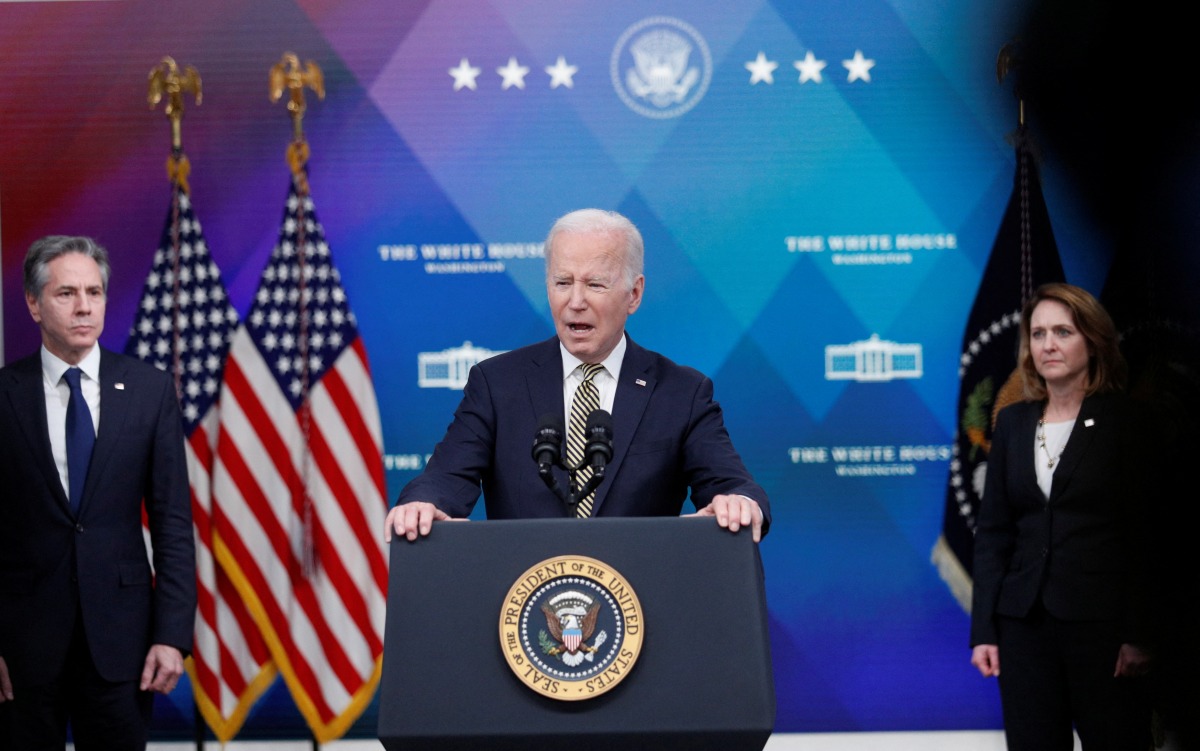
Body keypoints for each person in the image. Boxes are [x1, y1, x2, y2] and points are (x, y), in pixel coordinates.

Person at [385, 208, 769, 543]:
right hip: (522, 601)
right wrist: (424, 504)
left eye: (595, 284)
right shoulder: (497, 383)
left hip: (638, 602)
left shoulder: (681, 392)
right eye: (563, 282)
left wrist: (738, 502)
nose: (576, 302)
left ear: (634, 294)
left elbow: (731, 484)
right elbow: (445, 477)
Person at [0, 236, 196, 750]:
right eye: (66, 293)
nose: (85, 306)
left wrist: (172, 635)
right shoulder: (4, 396)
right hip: (22, 648)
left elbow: (173, 522)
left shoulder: (150, 392)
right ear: (33, 303)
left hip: (123, 644)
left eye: (94, 291)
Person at [969, 282, 1155, 750]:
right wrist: (984, 631)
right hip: (1023, 626)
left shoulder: (1126, 422)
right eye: (1037, 334)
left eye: (1063, 332)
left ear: (1092, 341)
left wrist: (1141, 633)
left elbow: (1149, 535)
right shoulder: (1013, 423)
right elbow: (993, 534)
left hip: (1104, 630)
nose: (1048, 344)